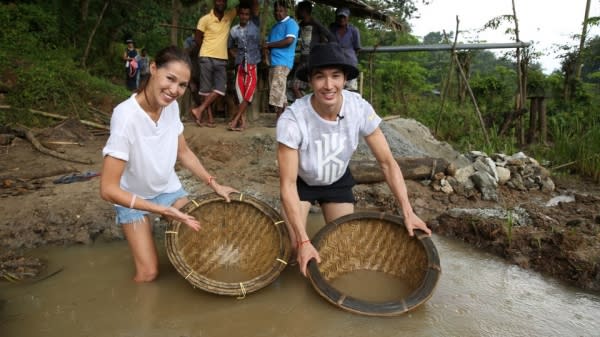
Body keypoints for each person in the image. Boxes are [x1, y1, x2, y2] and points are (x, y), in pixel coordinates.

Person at [276, 43, 432, 276]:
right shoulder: (292, 120)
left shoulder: (358, 108)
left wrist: (407, 211)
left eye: (335, 76)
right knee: (294, 248)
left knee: (344, 248)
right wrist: (303, 240)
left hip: (337, 181)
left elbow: (387, 163)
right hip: (302, 183)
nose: (328, 86)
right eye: (320, 77)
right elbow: (287, 185)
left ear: (345, 79)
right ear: (310, 81)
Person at [100, 46, 238, 283]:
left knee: (203, 246)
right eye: (170, 79)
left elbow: (183, 153)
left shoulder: (171, 107)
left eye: (182, 85)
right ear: (153, 69)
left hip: (168, 190)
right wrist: (161, 211)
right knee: (149, 273)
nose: (174, 90)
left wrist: (214, 184)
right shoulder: (125, 117)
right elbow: (108, 189)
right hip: (133, 199)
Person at [190, 0, 238, 127]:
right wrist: (206, 49)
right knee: (205, 90)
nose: (221, 3)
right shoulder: (204, 19)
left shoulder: (229, 16)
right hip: (206, 57)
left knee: (221, 89)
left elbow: (244, 5)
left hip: (221, 59)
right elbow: (197, 38)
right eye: (218, 0)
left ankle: (199, 110)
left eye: (223, 1)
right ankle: (209, 118)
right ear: (214, 2)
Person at [227, 0, 261, 131]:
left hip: (252, 64)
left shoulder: (255, 25)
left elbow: (256, 6)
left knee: (248, 94)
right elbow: (230, 47)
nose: (244, 16)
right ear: (238, 15)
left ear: (250, 15)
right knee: (240, 93)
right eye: (242, 14)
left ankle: (236, 120)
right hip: (240, 66)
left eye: (247, 14)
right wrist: (235, 55)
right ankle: (243, 122)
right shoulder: (233, 30)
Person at [264, 0, 299, 120]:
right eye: (276, 11)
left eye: (281, 10)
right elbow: (268, 44)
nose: (278, 13)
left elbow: (289, 40)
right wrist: (267, 48)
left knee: (277, 91)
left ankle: (279, 120)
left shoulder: (291, 23)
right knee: (280, 91)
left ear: (286, 11)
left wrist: (269, 45)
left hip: (283, 62)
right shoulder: (274, 27)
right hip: (274, 63)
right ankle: (285, 119)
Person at [292, 0, 335, 99]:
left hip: (313, 61)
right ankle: (307, 108)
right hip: (303, 60)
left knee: (312, 88)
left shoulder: (316, 24)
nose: (297, 12)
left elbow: (331, 37)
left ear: (305, 11)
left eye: (298, 10)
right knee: (296, 86)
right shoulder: (300, 25)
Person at [329, 7, 361, 92]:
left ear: (348, 18)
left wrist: (349, 57)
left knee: (351, 90)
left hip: (350, 62)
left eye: (344, 17)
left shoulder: (354, 30)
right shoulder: (332, 29)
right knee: (337, 89)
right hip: (336, 62)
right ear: (336, 17)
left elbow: (357, 48)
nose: (342, 19)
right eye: (340, 17)